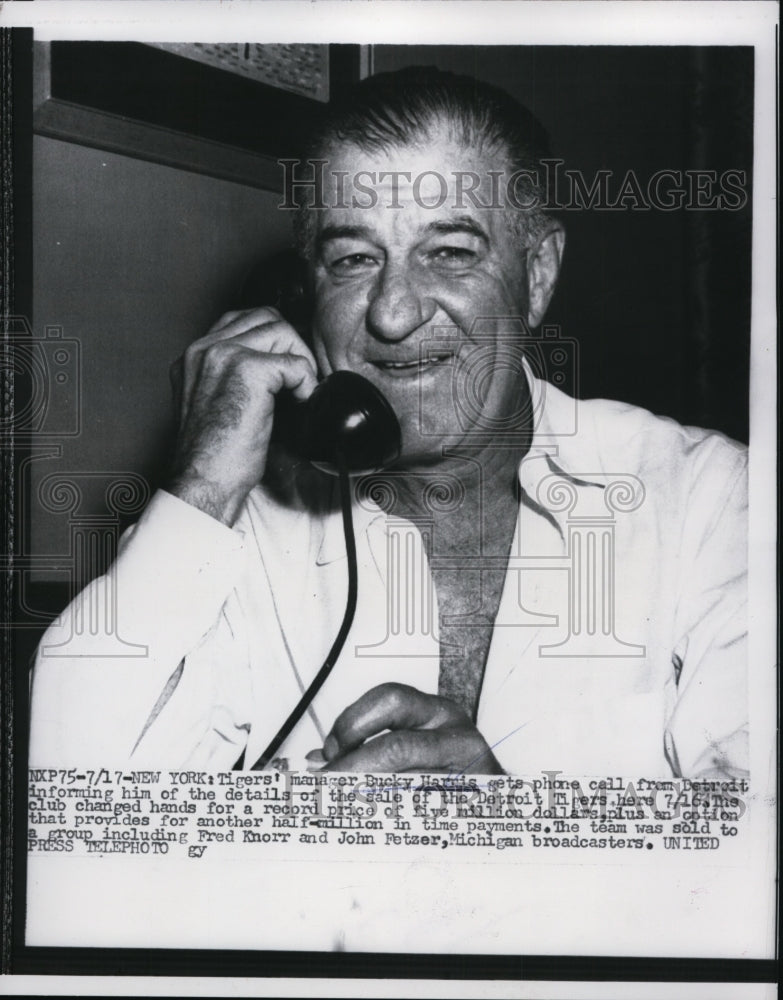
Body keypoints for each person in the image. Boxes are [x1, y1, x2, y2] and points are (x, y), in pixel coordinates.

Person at [29, 67, 748, 778]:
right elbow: (62, 794)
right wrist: (201, 485)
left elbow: (756, 837)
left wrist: (509, 827)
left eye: (450, 252)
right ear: (305, 291)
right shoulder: (241, 527)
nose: (394, 314)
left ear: (536, 275)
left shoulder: (708, 500)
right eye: (353, 259)